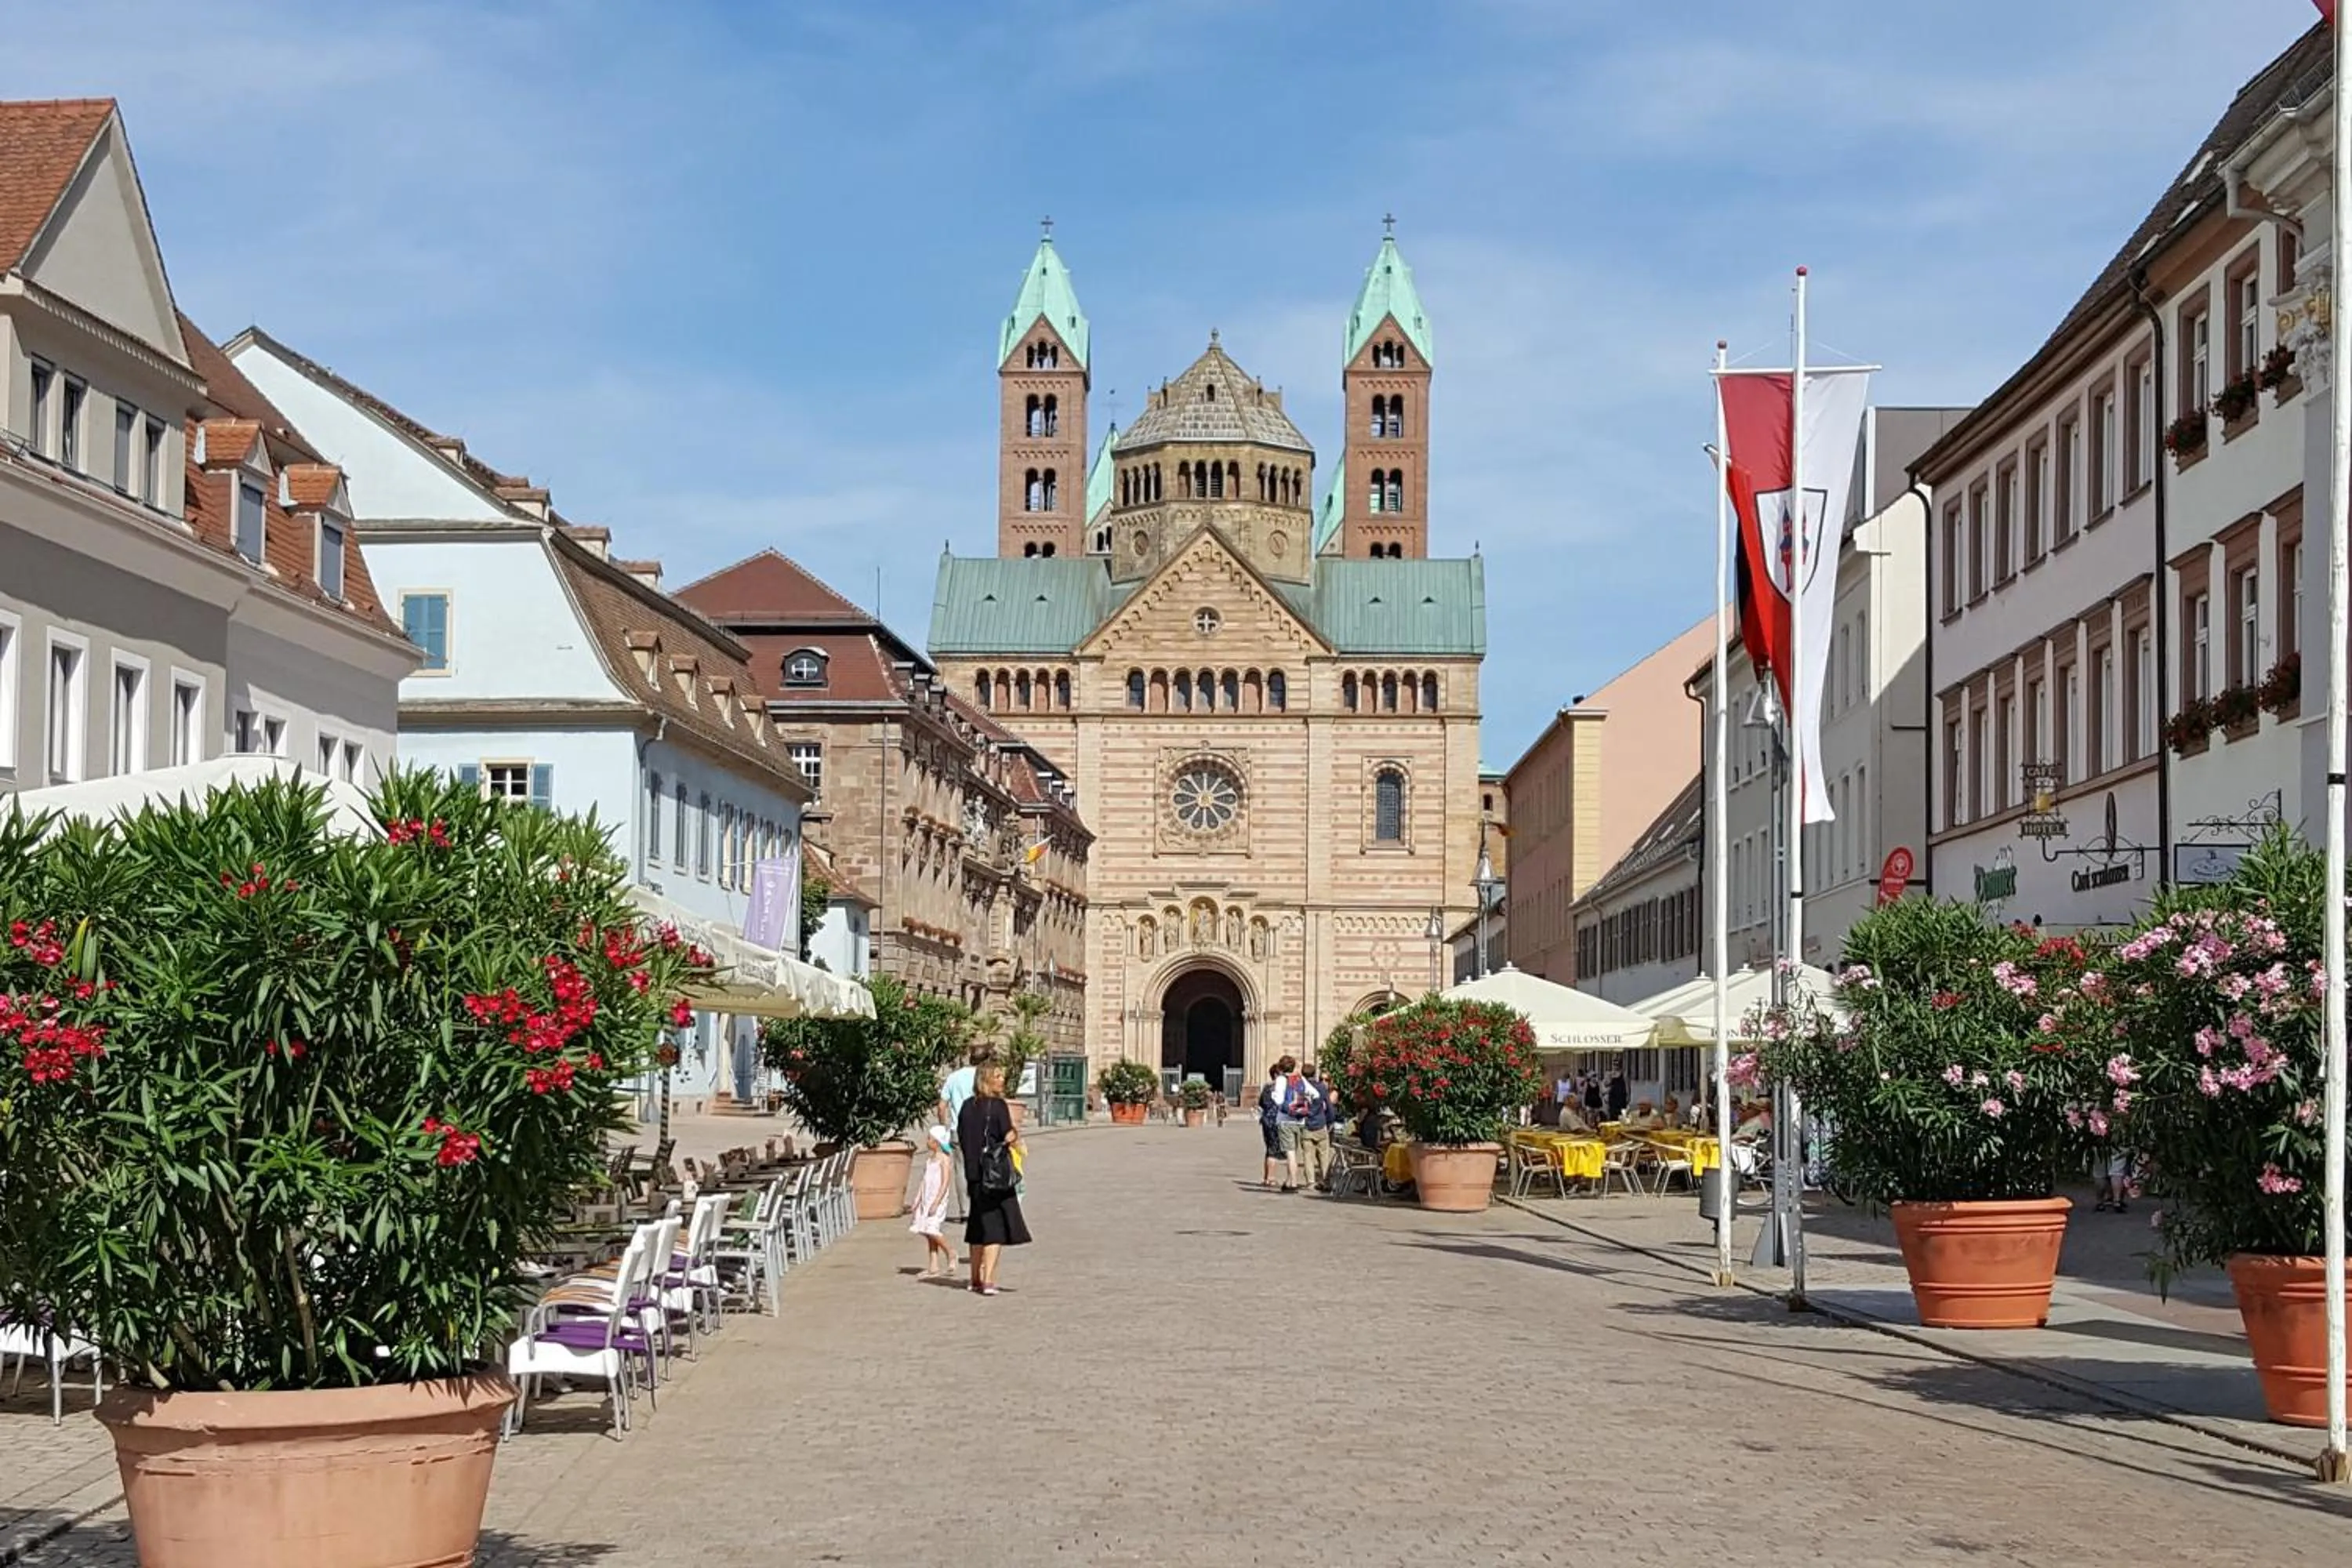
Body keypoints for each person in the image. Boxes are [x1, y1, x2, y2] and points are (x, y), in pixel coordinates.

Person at [957, 1065, 1029, 1296]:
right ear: (986, 1079)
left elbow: (962, 1135)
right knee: (994, 1228)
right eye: (997, 1076)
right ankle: (988, 1280)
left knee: (977, 1225)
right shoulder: (997, 1106)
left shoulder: (967, 1106)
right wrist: (1016, 1137)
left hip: (974, 1174)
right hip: (995, 1175)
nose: (1002, 1080)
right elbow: (1007, 1135)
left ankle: (974, 1278)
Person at [936, 1044, 995, 1221]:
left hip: (957, 1129)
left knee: (961, 1169)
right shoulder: (985, 1078)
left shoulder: (954, 1077)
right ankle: (983, 1207)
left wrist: (944, 1126)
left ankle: (965, 1211)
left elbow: (942, 1106)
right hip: (983, 1129)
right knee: (985, 1166)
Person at [909, 1125, 956, 1279]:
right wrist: (917, 1199)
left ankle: (950, 1251)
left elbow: (945, 1182)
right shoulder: (930, 1160)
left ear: (937, 1142)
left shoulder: (944, 1159)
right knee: (927, 1231)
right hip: (926, 1198)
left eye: (930, 1139)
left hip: (937, 1198)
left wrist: (937, 1200)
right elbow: (924, 1181)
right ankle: (933, 1265)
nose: (927, 1141)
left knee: (932, 1228)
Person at [1272, 1054, 1319, 1193]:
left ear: (1281, 1067)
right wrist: (1305, 1105)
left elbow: (1279, 1100)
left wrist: (1274, 1096)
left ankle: (1293, 1183)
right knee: (1295, 1152)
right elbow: (1315, 1094)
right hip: (1299, 1120)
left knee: (1290, 1153)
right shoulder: (1300, 1079)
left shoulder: (1281, 1080)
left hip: (1285, 1120)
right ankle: (1288, 1181)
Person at [1299, 1060, 1337, 1192]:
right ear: (1314, 1074)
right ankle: (1326, 1181)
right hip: (1321, 1123)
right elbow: (1329, 1106)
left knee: (1308, 1156)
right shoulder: (1321, 1087)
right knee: (1324, 1155)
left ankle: (1310, 1182)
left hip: (1306, 1124)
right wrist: (1330, 1120)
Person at [1257, 1065, 1287, 1189]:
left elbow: (1261, 1103)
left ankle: (1266, 1177)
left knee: (1269, 1148)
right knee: (1274, 1149)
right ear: (1276, 1075)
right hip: (1276, 1120)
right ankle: (1271, 1178)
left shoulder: (1267, 1087)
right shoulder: (1280, 1088)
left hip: (1266, 1120)